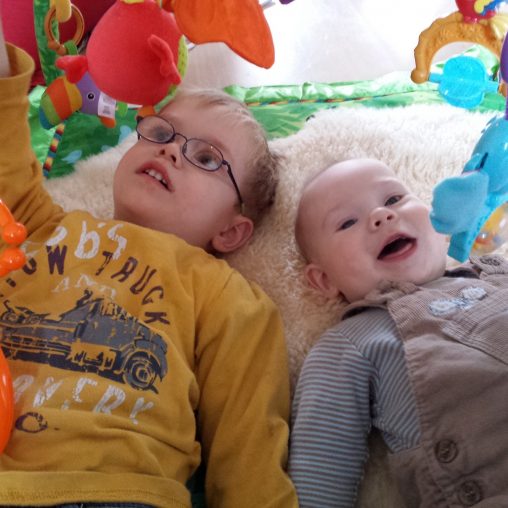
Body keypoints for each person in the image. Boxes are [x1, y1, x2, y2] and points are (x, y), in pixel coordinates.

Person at [0, 21, 298, 508]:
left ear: (231, 231)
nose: (171, 149)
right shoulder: (45, 225)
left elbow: (250, 454)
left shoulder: (226, 295)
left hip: (113, 489)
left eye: (208, 159)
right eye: (161, 131)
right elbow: (6, 163)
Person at [288, 158, 508, 507]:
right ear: (325, 280)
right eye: (347, 222)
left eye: (393, 199)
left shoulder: (497, 272)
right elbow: (320, 473)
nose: (382, 215)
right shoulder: (353, 341)